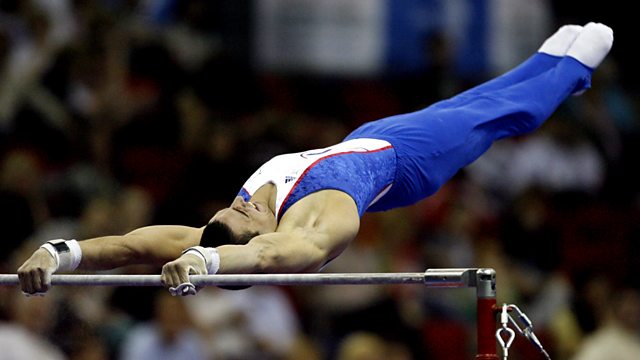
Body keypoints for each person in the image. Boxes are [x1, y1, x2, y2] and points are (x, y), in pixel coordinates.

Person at [18, 22, 614, 296]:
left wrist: (60, 250)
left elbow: (128, 245)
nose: (239, 205)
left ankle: (560, 61)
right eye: (240, 231)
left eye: (235, 216)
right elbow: (266, 251)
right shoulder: (280, 222)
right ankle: (562, 66)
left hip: (386, 148)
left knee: (484, 109)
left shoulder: (270, 221)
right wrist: (215, 263)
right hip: (388, 154)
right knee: (487, 114)